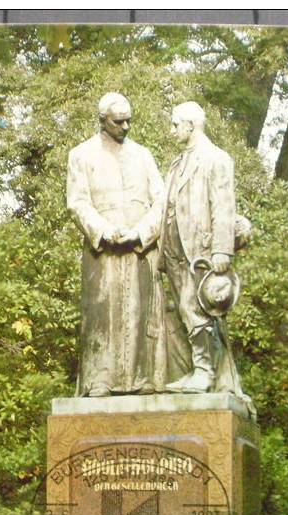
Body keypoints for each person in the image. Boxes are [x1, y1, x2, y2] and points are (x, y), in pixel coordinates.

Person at [66, 92, 166, 397]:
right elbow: (77, 202)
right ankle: (100, 380)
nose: (125, 127)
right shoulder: (81, 155)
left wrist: (141, 232)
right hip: (103, 250)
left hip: (139, 248)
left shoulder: (143, 155)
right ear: (102, 120)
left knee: (140, 312)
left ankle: (142, 378)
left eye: (128, 121)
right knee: (101, 314)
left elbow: (161, 200)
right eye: (118, 121)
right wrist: (105, 231)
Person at [159, 101, 250, 404]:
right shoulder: (176, 163)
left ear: (190, 125)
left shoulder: (216, 159)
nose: (171, 131)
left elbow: (223, 206)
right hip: (173, 249)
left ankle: (205, 371)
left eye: (175, 125)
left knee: (195, 309)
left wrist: (222, 250)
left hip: (200, 250)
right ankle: (197, 368)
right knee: (182, 311)